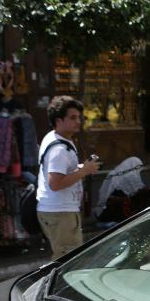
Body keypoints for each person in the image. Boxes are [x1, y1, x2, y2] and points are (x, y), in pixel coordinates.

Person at [37, 96, 100, 259]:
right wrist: (84, 171)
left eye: (79, 117)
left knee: (65, 258)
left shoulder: (54, 138)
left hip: (57, 210)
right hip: (61, 212)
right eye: (73, 118)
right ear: (58, 121)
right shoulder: (59, 150)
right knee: (69, 261)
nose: (78, 121)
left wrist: (82, 168)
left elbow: (58, 173)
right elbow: (55, 184)